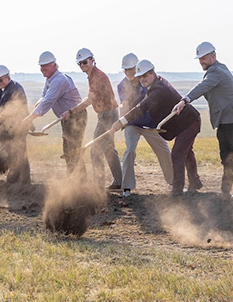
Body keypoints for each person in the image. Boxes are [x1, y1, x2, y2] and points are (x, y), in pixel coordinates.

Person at [172, 41, 233, 196]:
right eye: (200, 59)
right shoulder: (221, 68)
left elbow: (203, 87)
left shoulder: (216, 72)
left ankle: (226, 192)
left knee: (227, 154)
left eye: (204, 58)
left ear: (213, 56)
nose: (202, 61)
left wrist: (185, 100)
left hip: (228, 117)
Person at [114, 60, 201, 196]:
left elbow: (142, 107)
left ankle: (177, 191)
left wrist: (121, 121)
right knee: (187, 152)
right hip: (184, 123)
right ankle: (194, 184)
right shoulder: (157, 83)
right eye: (140, 76)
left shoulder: (158, 89)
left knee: (177, 154)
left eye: (145, 76)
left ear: (152, 73)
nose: (142, 79)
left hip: (189, 122)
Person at [61, 48, 122, 190]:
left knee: (95, 149)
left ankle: (98, 185)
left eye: (85, 62)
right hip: (107, 114)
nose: (82, 66)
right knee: (109, 149)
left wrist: (71, 111)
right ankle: (119, 181)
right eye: (80, 64)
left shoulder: (97, 76)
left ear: (92, 60)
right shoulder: (92, 76)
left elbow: (90, 100)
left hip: (108, 115)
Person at [116, 53, 174, 197]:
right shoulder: (121, 85)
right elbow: (125, 104)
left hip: (150, 123)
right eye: (125, 70)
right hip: (132, 123)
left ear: (137, 68)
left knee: (164, 151)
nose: (128, 73)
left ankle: (173, 183)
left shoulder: (148, 82)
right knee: (130, 150)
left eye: (131, 69)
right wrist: (121, 120)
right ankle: (127, 187)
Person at [22, 51, 86, 175]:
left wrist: (29, 118)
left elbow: (47, 101)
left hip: (76, 117)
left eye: (45, 65)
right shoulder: (50, 79)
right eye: (41, 66)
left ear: (54, 65)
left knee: (73, 150)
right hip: (66, 118)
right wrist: (40, 101)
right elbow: (44, 96)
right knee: (68, 149)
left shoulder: (59, 80)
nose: (42, 69)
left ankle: (79, 181)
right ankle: (74, 178)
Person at [0, 65, 30, 184]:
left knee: (17, 153)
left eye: (0, 80)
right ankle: (19, 180)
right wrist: (0, 103)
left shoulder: (11, 90)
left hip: (16, 127)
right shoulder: (12, 87)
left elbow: (8, 113)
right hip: (17, 125)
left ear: (7, 77)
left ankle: (21, 182)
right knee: (17, 153)